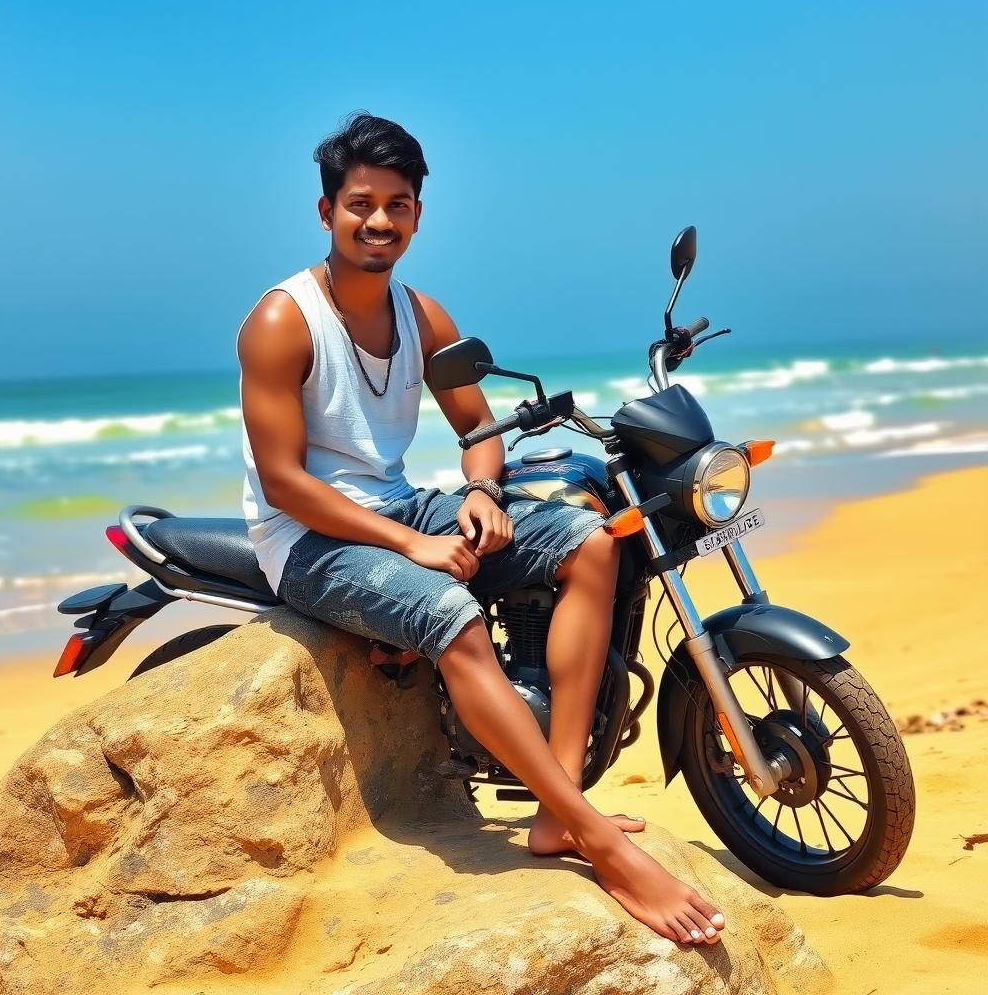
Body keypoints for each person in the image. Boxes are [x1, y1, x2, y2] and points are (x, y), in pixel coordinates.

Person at [236, 112, 725, 946]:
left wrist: (481, 490)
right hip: (305, 538)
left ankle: (557, 808)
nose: (378, 220)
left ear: (418, 216)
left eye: (397, 204)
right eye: (360, 204)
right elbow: (285, 481)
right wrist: (413, 545)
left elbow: (479, 426)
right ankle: (601, 843)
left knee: (593, 544)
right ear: (327, 213)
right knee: (451, 617)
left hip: (395, 502)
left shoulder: (420, 314)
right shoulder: (283, 322)